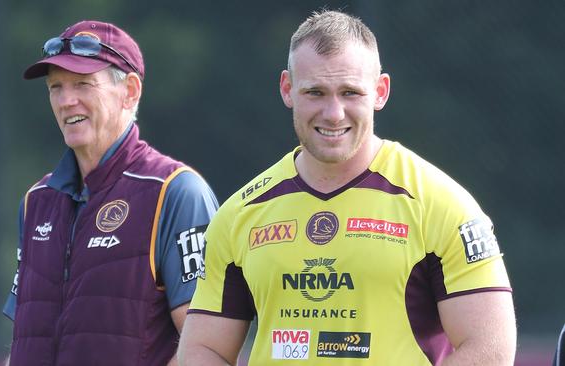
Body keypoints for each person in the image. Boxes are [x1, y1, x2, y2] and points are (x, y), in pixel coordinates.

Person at [178, 10, 516, 366]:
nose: (334, 113)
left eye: (350, 92)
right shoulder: (238, 215)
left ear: (380, 92)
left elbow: (489, 349)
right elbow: (204, 349)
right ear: (287, 89)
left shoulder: (442, 205)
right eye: (316, 92)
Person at [1, 20, 218, 366]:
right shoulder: (36, 201)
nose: (66, 100)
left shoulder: (176, 192)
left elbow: (206, 350)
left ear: (130, 91)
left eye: (82, 84)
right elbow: (27, 338)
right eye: (56, 87)